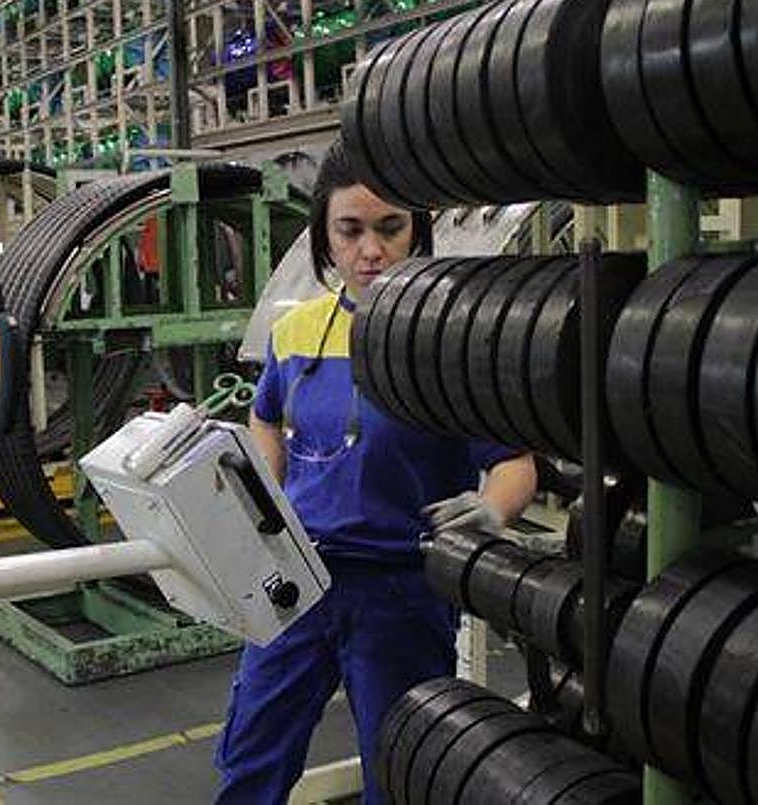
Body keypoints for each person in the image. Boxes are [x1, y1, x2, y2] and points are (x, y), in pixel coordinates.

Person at [214, 140, 537, 805]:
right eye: (350, 230)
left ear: (417, 231)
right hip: (296, 577)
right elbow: (265, 415)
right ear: (325, 239)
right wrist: (266, 492)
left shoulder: (447, 345)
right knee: (251, 755)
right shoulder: (295, 331)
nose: (371, 250)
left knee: (397, 769)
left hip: (401, 589)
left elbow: (513, 461)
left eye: (389, 228)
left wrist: (492, 509)